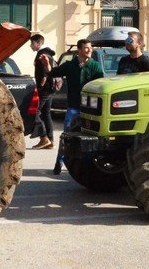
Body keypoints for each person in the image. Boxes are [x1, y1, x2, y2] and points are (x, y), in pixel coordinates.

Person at [43, 39, 104, 175]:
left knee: (90, 137)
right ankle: (59, 162)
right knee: (66, 136)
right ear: (80, 50)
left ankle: (88, 165)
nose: (89, 50)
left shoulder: (95, 66)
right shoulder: (70, 65)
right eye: (86, 48)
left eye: (90, 48)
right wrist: (47, 65)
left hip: (90, 108)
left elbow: (100, 86)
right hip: (74, 107)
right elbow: (53, 73)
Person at [29, 33, 57, 150]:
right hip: (51, 88)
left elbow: (44, 73)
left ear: (39, 43)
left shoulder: (42, 54)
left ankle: (43, 138)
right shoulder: (48, 53)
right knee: (46, 113)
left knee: (35, 112)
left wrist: (40, 87)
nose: (31, 46)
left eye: (32, 43)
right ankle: (51, 141)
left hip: (45, 89)